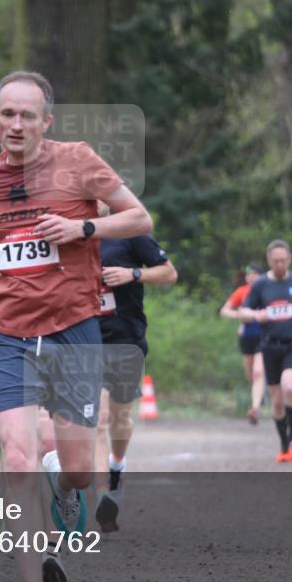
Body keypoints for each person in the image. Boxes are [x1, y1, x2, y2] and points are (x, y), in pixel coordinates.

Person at [0, 70, 152, 582]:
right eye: (7, 114)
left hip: (73, 328)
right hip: (6, 333)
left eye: (28, 115)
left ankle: (67, 487)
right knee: (17, 458)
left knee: (78, 472)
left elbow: (138, 217)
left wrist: (81, 228)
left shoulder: (78, 160)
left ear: (46, 122)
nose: (16, 124)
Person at [93, 201, 177, 532]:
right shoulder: (70, 235)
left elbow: (170, 273)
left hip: (125, 339)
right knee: (97, 419)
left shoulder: (129, 232)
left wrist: (133, 274)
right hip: (85, 340)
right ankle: (102, 495)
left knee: (120, 417)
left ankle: (117, 466)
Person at [237, 240, 292, 464]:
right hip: (269, 346)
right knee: (276, 402)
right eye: (275, 261)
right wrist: (256, 315)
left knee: (289, 386)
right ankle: (284, 446)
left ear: (290, 259)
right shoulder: (261, 284)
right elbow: (244, 310)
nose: (280, 264)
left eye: (283, 260)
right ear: (269, 260)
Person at [219, 265, 265, 425]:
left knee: (258, 372)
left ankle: (255, 408)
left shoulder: (268, 289)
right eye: (248, 275)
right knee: (251, 374)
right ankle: (259, 395)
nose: (251, 277)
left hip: (265, 336)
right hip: (247, 336)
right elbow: (224, 311)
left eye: (254, 274)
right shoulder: (242, 291)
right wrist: (239, 315)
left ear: (261, 276)